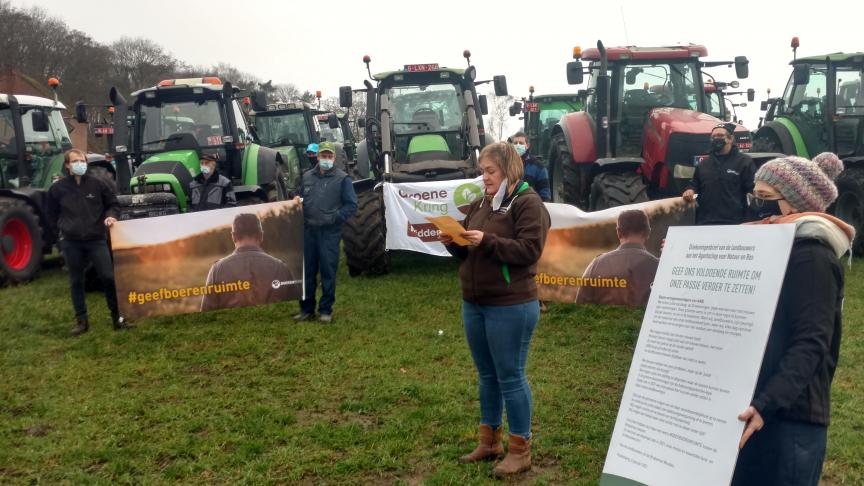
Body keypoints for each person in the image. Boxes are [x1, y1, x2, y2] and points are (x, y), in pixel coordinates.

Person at [732, 153, 852, 486]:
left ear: (797, 204)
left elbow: (812, 341)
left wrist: (766, 404)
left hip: (791, 418)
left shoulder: (811, 256)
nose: (756, 205)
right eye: (754, 195)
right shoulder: (766, 246)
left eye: (766, 198)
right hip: (758, 410)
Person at [443, 142, 550, 477]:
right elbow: (471, 252)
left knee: (511, 376)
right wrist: (454, 242)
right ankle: (489, 441)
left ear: (509, 169)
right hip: (475, 303)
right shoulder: (483, 202)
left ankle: (521, 450)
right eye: (481, 171)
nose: (484, 177)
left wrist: (486, 241)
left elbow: (530, 250)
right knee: (487, 376)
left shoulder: (528, 203)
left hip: (511, 305)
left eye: (489, 171)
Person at [46, 149, 131, 336]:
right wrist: (59, 234)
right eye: (75, 161)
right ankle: (81, 321)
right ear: (68, 166)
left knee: (108, 277)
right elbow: (50, 214)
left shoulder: (98, 184)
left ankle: (118, 317)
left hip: (96, 240)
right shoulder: (58, 189)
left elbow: (113, 204)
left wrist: (111, 217)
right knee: (76, 281)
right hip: (71, 242)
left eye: (82, 160)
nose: (80, 164)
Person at [293, 141, 358, 323]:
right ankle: (306, 309)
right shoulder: (306, 177)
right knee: (307, 272)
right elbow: (301, 198)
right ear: (318, 156)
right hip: (308, 232)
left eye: (330, 157)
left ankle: (325, 310)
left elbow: (351, 205)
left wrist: (334, 218)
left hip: (329, 233)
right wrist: (297, 200)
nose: (326, 159)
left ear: (334, 158)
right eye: (324, 156)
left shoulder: (343, 178)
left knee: (328, 272)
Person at [201, 213, 298, 312]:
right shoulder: (281, 267)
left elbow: (206, 315)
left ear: (233, 237)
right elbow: (296, 309)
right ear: (261, 235)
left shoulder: (217, 269)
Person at [575, 209, 659, 307]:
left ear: (619, 232)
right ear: (647, 233)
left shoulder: (597, 264)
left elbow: (580, 306)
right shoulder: (659, 267)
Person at [682, 122, 755, 225]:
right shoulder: (703, 164)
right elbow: (694, 185)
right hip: (705, 222)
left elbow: (752, 192)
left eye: (720, 136)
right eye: (713, 137)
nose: (716, 139)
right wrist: (690, 190)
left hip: (734, 223)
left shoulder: (744, 162)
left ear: (730, 139)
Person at [511, 131, 550, 202]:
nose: (518, 145)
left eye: (521, 143)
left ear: (527, 146)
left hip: (531, 207)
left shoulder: (538, 166)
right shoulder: (507, 165)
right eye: (515, 143)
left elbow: (545, 193)